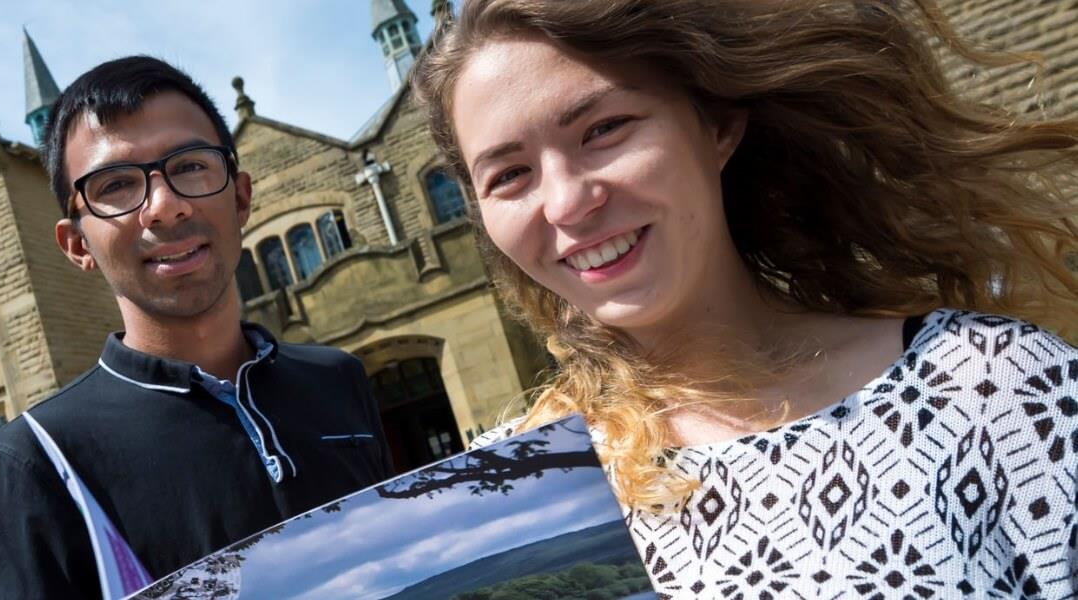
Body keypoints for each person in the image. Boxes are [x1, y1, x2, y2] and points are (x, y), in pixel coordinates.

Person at [413, 0, 1078, 596]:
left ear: (717, 127)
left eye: (604, 129)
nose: (565, 202)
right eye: (510, 175)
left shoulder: (993, 386)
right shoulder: (501, 493)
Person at [0, 56, 394, 598]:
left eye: (191, 166)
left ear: (241, 196)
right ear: (77, 244)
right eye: (116, 184)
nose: (165, 206)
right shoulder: (39, 459)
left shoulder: (338, 379)